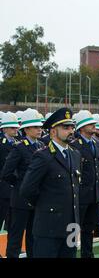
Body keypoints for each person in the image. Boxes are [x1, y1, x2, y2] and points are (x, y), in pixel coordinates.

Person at [20, 108, 81, 258]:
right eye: (66, 127)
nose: (71, 130)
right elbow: (27, 190)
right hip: (49, 226)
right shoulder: (43, 156)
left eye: (72, 127)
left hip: (72, 226)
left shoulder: (75, 154)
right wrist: (45, 205)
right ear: (53, 132)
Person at [1, 109, 43, 258]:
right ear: (26, 129)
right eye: (36, 127)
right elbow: (6, 173)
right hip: (20, 200)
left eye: (40, 127)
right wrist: (21, 186)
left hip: (36, 199)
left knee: (34, 236)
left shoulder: (40, 146)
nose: (40, 129)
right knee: (16, 237)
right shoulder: (19, 147)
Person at [70, 110, 99, 258]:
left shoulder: (97, 144)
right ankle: (69, 254)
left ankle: (87, 254)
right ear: (82, 127)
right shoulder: (75, 145)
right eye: (90, 123)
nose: (94, 125)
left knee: (88, 228)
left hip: (94, 195)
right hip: (80, 195)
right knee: (73, 228)